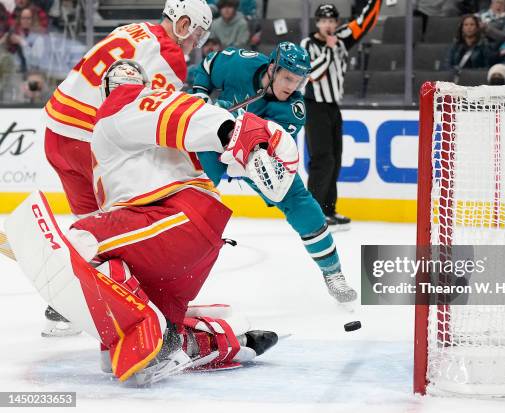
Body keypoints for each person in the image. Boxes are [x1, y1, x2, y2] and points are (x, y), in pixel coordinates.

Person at [8, 59, 280, 385]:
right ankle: (218, 341)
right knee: (116, 354)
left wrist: (233, 132)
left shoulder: (120, 104)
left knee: (82, 242)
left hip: (176, 219)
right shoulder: (125, 138)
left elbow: (178, 112)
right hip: (183, 245)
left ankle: (154, 328)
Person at [41, 0, 213, 337]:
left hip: (57, 132)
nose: (195, 43)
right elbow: (150, 115)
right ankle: (122, 301)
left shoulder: (134, 30)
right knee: (121, 227)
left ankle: (66, 306)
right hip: (89, 142)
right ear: (183, 23)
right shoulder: (171, 55)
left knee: (92, 229)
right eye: (196, 33)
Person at [190, 42, 358, 304]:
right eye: (288, 78)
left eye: (299, 81)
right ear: (272, 68)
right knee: (191, 190)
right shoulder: (240, 63)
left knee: (301, 203)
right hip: (212, 141)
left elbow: (269, 155)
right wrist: (200, 93)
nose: (292, 87)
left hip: (256, 160)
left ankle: (333, 273)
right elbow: (208, 65)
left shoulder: (293, 109)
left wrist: (239, 159)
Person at [300, 0, 382, 229]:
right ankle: (314, 214)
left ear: (337, 22)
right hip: (314, 105)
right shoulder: (307, 44)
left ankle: (328, 210)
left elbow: (364, 22)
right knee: (321, 159)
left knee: (334, 160)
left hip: (333, 107)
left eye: (332, 20)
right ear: (317, 23)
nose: (328, 24)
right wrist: (328, 47)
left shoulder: (343, 39)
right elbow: (313, 73)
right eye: (324, 20)